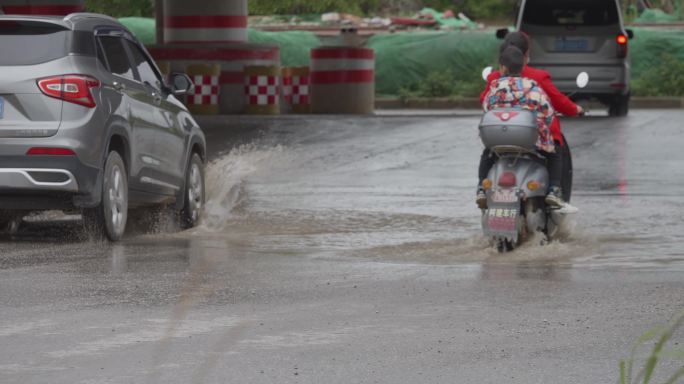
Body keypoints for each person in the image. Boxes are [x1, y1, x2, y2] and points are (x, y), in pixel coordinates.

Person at [479, 46, 564, 209]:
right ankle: (554, 189)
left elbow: (486, 109)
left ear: (502, 67)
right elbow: (548, 114)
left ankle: (481, 188)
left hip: (498, 140)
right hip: (530, 141)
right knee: (555, 152)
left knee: (486, 154)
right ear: (523, 66)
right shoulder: (533, 87)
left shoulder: (495, 87)